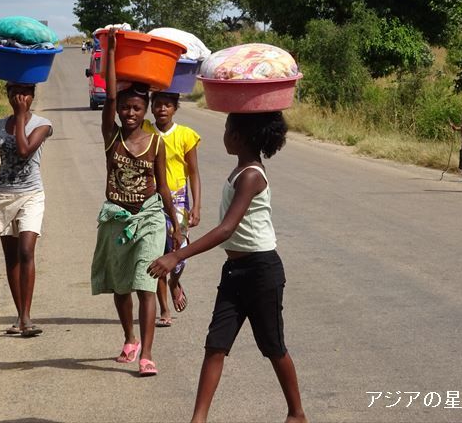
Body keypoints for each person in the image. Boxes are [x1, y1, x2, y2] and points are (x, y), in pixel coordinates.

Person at [149, 112, 307, 423]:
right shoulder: (240, 170)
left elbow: (226, 229)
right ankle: (198, 419)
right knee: (216, 345)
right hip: (235, 271)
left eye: (227, 129)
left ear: (240, 136)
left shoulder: (251, 175)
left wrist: (176, 256)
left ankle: (297, 413)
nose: (224, 134)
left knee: (273, 346)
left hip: (262, 271)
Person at [91, 28, 182, 376]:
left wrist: (175, 223)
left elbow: (162, 187)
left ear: (145, 111)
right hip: (116, 218)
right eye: (125, 108)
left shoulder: (156, 143)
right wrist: (112, 51)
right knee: (120, 285)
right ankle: (129, 338)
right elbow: (110, 99)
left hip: (148, 218)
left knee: (146, 284)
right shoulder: (110, 136)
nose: (129, 113)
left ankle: (146, 354)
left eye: (136, 108)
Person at [0, 82, 52, 337]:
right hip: (4, 196)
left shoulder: (42, 125)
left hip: (31, 195)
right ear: (7, 95)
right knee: (12, 258)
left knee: (27, 251)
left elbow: (25, 150)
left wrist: (20, 116)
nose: (20, 96)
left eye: (25, 92)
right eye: (14, 92)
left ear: (33, 95)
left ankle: (26, 317)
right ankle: (20, 316)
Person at [143, 91, 201, 327]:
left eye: (167, 105)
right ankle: (164, 310)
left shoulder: (186, 135)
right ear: (151, 108)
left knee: (179, 254)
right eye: (157, 105)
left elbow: (194, 172)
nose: (162, 109)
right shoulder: (146, 130)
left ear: (175, 108)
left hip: (178, 200)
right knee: (157, 254)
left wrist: (196, 205)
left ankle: (175, 282)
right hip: (151, 199)